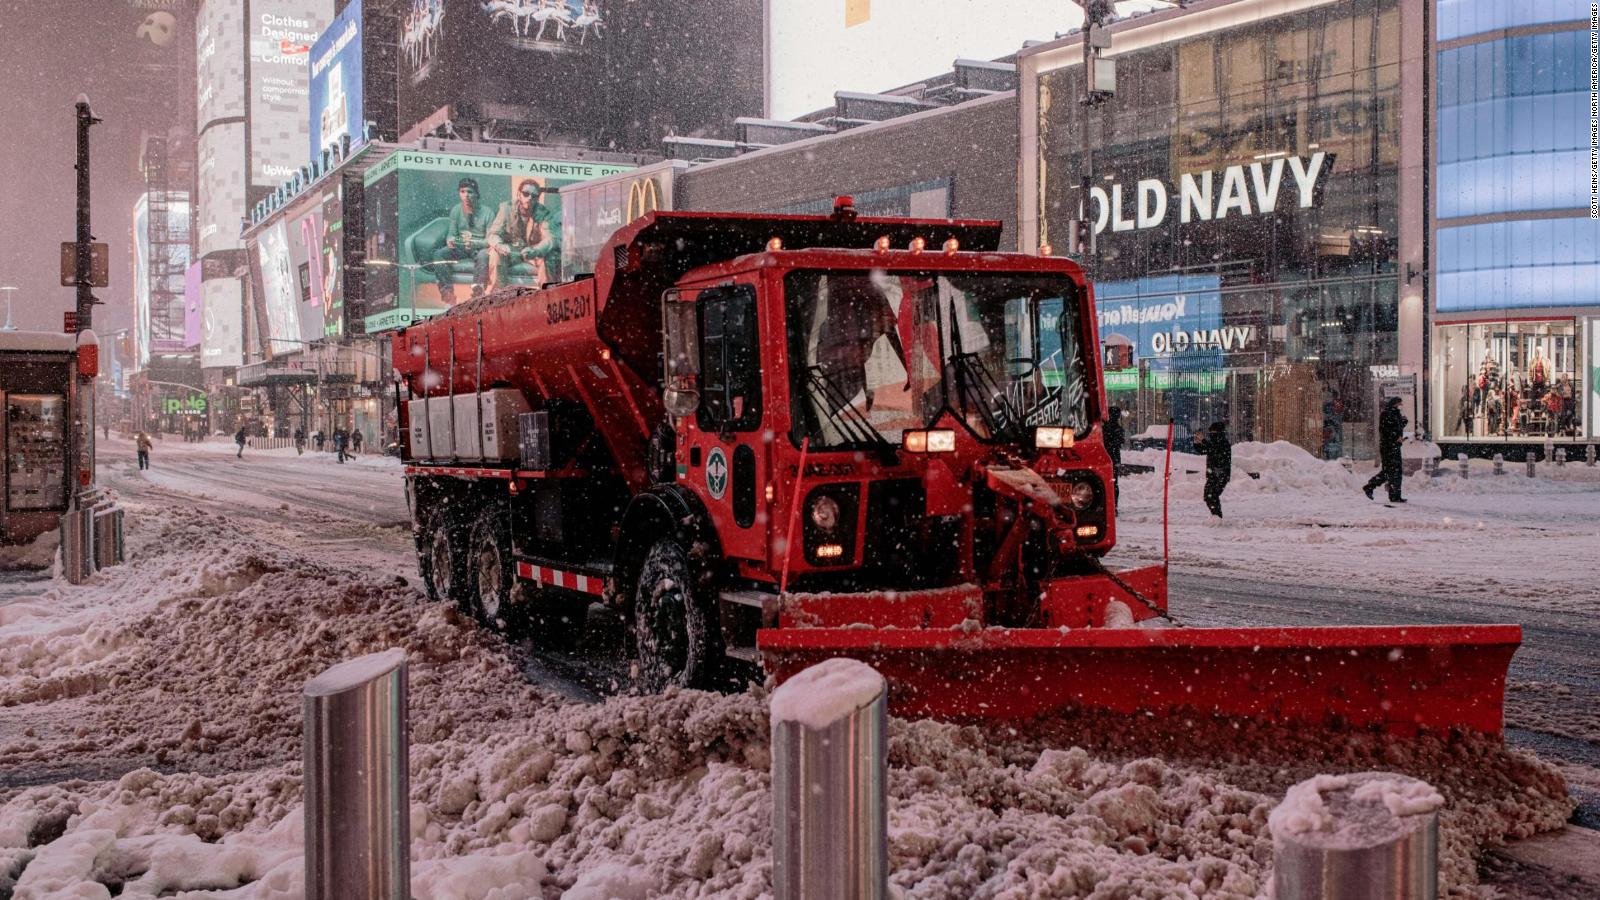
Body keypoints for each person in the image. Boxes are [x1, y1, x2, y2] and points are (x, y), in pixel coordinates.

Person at [426, 177, 495, 303]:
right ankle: (448, 295)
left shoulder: (487, 212)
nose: (466, 195)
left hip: (480, 247)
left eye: (470, 192)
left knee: (484, 256)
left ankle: (477, 295)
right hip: (461, 247)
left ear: (476, 194)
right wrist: (450, 240)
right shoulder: (456, 210)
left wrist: (475, 243)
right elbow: (451, 234)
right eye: (462, 192)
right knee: (439, 254)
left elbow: (490, 240)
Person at [486, 180, 560, 291]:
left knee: (548, 257)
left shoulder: (543, 213)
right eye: (526, 194)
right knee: (495, 254)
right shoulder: (506, 208)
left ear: (537, 198)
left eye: (534, 196)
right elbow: (493, 234)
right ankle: (496, 297)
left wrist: (536, 250)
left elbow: (550, 239)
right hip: (511, 251)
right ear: (518, 194)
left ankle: (547, 297)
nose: (529, 198)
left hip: (532, 251)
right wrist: (499, 245)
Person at [1363, 396, 1407, 503]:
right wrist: (1395, 437)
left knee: (1396, 472)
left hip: (1395, 446)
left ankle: (1395, 495)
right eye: (1398, 404)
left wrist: (1404, 422)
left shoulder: (1396, 413)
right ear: (1393, 404)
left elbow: (1397, 428)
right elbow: (1384, 431)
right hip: (1388, 447)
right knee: (1389, 471)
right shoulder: (1386, 414)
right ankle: (1370, 486)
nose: (1399, 406)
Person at [1192, 421, 1231, 518]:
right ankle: (1216, 516)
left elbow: (1214, 450)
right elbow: (1204, 450)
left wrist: (1203, 440)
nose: (1211, 435)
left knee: (1212, 495)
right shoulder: (1214, 443)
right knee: (1208, 496)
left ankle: (1217, 516)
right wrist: (1196, 443)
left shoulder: (1223, 443)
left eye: (1213, 432)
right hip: (1213, 475)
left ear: (1219, 432)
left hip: (1221, 475)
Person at [1103, 406, 1125, 502]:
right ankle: (1113, 504)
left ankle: (1107, 503)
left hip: (1104, 457)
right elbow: (1120, 442)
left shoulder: (1104, 428)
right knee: (1114, 483)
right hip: (1114, 458)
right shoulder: (1118, 429)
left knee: (1105, 482)